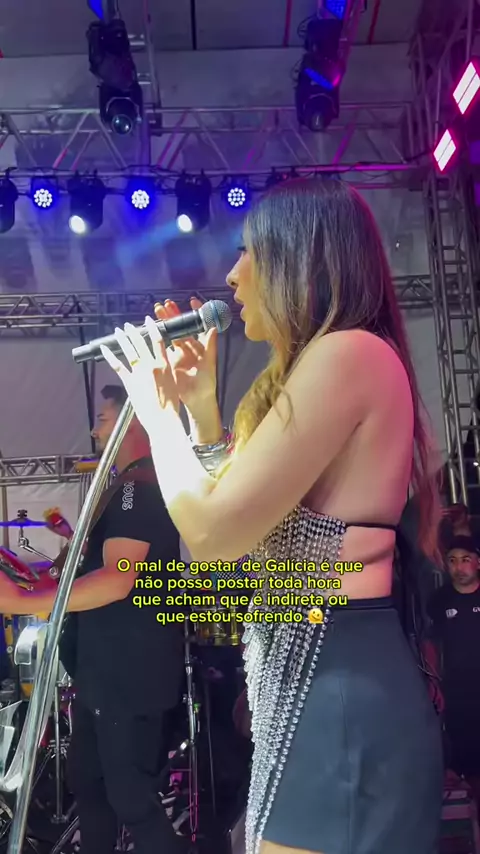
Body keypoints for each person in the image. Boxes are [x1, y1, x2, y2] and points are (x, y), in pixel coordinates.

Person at [99, 177, 443, 854]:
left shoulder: (348, 353)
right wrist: (200, 411)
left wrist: (156, 415)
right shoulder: (329, 363)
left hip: (340, 688)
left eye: (249, 252)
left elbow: (212, 533)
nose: (232, 275)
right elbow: (226, 529)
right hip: (312, 684)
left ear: (300, 260)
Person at [0, 384, 187, 854]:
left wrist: (25, 602)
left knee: (130, 799)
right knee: (90, 786)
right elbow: (98, 567)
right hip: (102, 674)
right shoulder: (124, 490)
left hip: (128, 674)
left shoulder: (139, 491)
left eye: (103, 419)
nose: (93, 430)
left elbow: (118, 578)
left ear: (133, 421)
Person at [427, 535, 480, 814]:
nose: (459, 567)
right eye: (452, 561)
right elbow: (430, 643)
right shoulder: (439, 600)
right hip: (458, 689)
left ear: (478, 563)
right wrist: (433, 680)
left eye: (466, 560)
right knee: (466, 759)